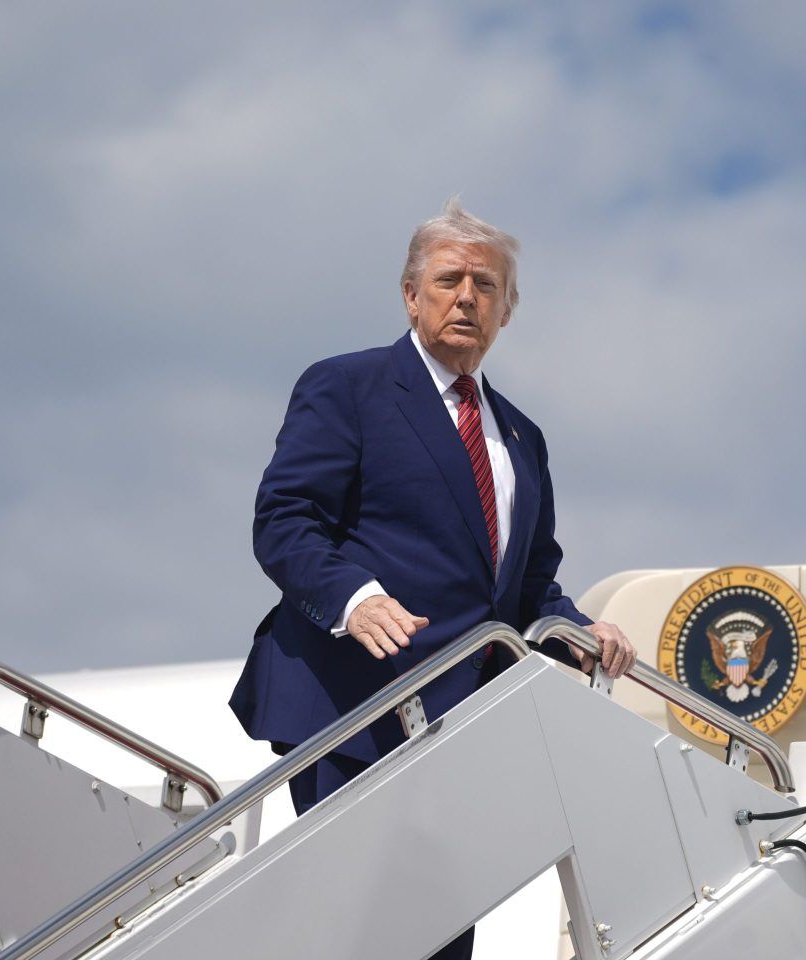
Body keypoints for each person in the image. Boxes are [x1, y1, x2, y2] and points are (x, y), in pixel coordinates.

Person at [228, 198, 635, 959]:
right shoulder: (348, 387)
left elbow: (526, 588)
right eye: (449, 279)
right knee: (354, 932)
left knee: (438, 941)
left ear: (507, 312)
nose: (466, 297)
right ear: (411, 295)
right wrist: (355, 598)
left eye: (486, 286)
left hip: (460, 729)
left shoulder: (522, 437)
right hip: (352, 704)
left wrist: (580, 629)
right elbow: (284, 519)